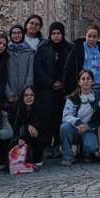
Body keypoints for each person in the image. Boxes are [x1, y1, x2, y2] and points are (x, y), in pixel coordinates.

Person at [33, 22, 71, 157]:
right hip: (46, 90)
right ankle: (46, 145)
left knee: (59, 117)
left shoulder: (68, 48)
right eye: (53, 33)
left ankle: (57, 145)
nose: (56, 36)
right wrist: (51, 82)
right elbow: (38, 69)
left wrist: (63, 82)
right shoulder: (44, 48)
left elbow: (71, 68)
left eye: (58, 33)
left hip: (63, 91)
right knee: (46, 118)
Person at [59, 70, 100, 166]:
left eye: (88, 79)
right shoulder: (72, 98)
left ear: (92, 81)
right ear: (79, 82)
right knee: (64, 127)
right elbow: (66, 115)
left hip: (90, 129)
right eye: (83, 79)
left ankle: (85, 153)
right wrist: (78, 123)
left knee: (92, 147)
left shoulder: (99, 94)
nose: (86, 81)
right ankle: (67, 157)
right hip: (75, 129)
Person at [64, 25, 100, 93]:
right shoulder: (78, 48)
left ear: (98, 38)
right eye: (89, 36)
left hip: (98, 87)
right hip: (82, 87)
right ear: (85, 36)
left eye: (94, 37)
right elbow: (68, 68)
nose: (91, 39)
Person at [12, 86, 46, 166]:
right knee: (24, 129)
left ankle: (37, 157)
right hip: (19, 137)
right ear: (22, 97)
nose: (29, 97)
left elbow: (42, 126)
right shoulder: (17, 108)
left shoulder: (41, 107)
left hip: (36, 137)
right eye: (26, 95)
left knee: (34, 131)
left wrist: (30, 127)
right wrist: (27, 126)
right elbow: (15, 126)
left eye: (31, 95)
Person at [5, 24, 35, 105]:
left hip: (25, 93)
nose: (16, 35)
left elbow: (30, 73)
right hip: (10, 94)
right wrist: (8, 93)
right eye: (14, 33)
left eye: (19, 32)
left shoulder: (29, 52)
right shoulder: (6, 52)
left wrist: (25, 91)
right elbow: (2, 74)